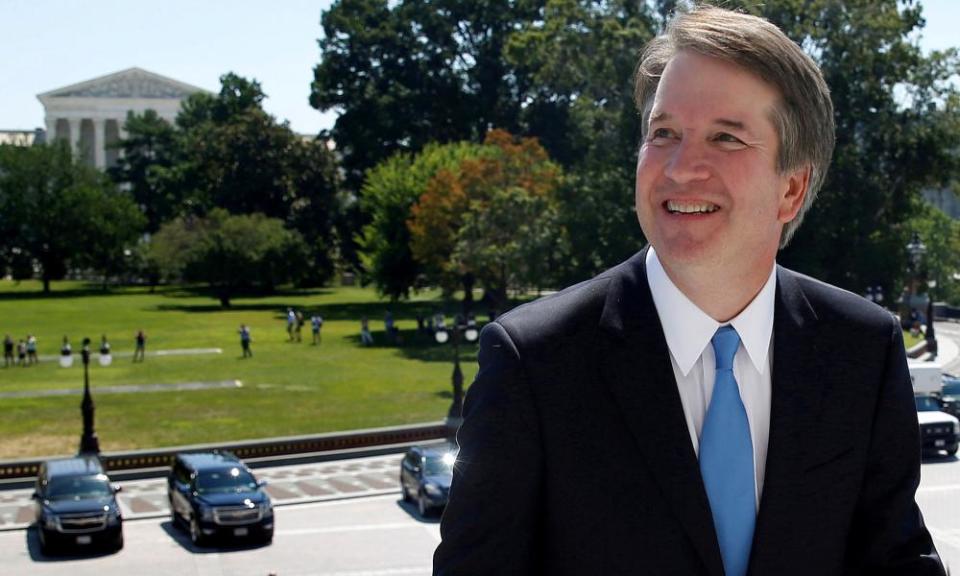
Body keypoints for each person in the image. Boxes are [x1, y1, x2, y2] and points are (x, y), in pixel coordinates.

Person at [434, 6, 944, 576]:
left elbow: (895, 559)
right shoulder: (534, 361)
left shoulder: (861, 350)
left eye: (726, 138)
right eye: (664, 133)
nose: (680, 168)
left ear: (792, 188)